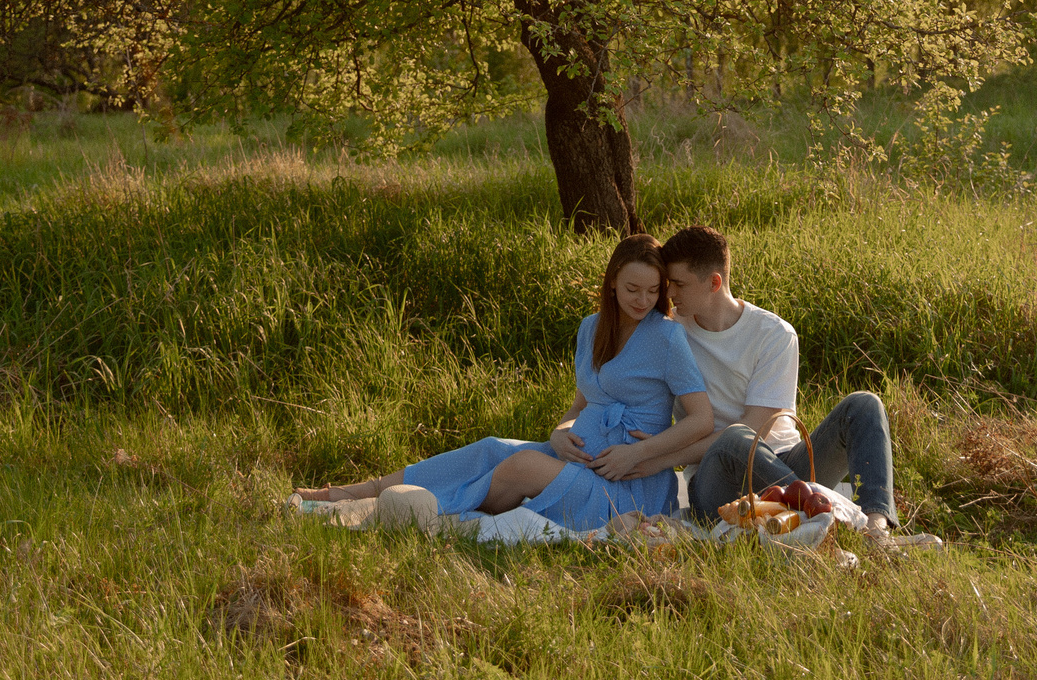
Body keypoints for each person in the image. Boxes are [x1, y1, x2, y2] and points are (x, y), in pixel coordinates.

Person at [299, 233, 714, 531]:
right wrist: (559, 432)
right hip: (578, 459)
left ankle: (428, 512)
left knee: (520, 465)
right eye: (632, 289)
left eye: (652, 291)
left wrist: (636, 454)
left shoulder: (666, 336)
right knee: (490, 449)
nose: (642, 300)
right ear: (611, 283)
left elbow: (701, 420)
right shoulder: (592, 329)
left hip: (626, 484)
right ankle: (356, 492)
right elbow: (580, 405)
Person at [652, 224, 898, 535]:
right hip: (717, 482)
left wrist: (664, 459)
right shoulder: (669, 334)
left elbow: (757, 429)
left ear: (714, 282)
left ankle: (875, 529)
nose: (670, 293)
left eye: (679, 284)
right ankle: (827, 515)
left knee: (863, 405)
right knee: (733, 439)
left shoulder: (773, 334)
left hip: (786, 465)